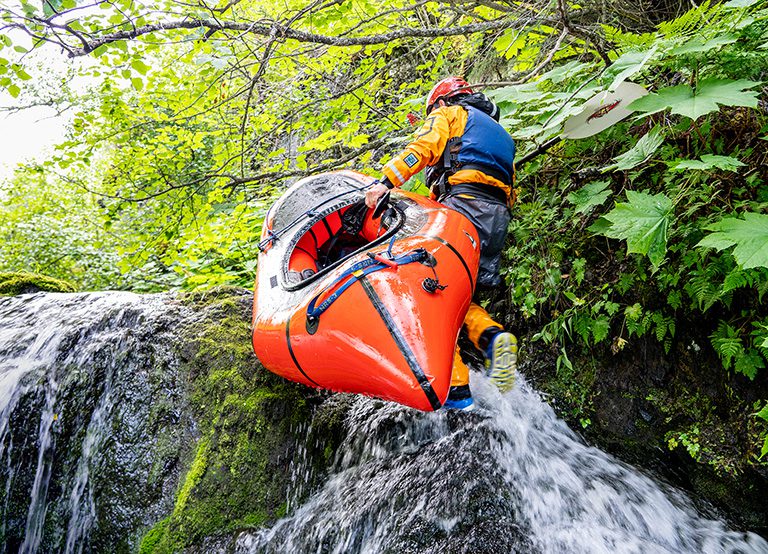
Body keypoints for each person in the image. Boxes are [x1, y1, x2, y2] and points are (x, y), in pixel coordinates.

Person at [364, 76, 518, 411]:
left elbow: (422, 149)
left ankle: (458, 390)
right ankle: (492, 338)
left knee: (431, 291)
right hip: (497, 219)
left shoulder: (449, 113)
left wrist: (384, 182)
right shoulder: (501, 135)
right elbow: (508, 186)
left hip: (462, 209)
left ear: (441, 102)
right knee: (461, 293)